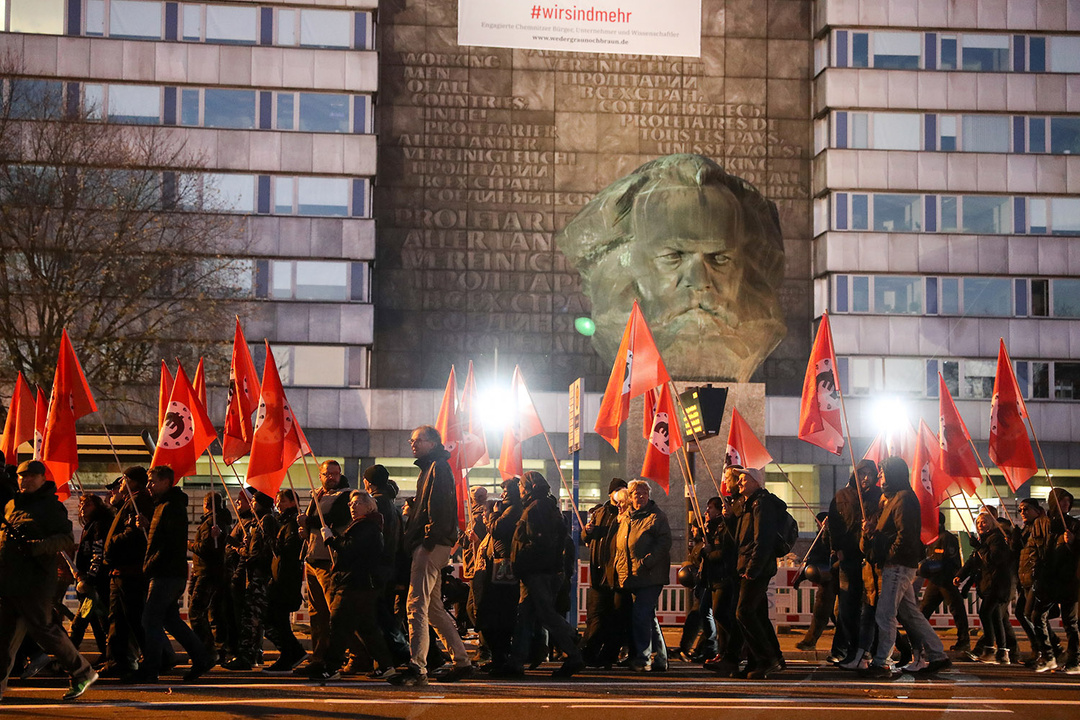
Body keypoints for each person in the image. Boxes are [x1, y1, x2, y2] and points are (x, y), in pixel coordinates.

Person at [555, 153, 787, 382]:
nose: (699, 280)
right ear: (628, 259)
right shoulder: (616, 327)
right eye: (674, 256)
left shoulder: (757, 330)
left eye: (719, 258)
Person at [0, 460, 98, 701]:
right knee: (4, 638)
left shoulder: (50, 507)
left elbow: (65, 539)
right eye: (23, 476)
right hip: (9, 581)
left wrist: (38, 547)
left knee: (45, 631)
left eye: (32, 476)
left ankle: (82, 671)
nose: (26, 480)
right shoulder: (11, 505)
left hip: (35, 582)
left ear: (43, 479)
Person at [389, 426, 472, 686]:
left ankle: (418, 666)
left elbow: (440, 506)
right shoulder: (432, 467)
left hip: (430, 545)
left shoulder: (437, 467)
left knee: (416, 605)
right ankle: (462, 661)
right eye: (411, 440)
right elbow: (434, 505)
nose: (412, 443)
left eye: (418, 440)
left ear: (432, 442)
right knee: (433, 608)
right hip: (433, 543)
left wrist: (427, 539)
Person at [860, 457, 950, 678]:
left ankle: (882, 661)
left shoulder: (904, 499)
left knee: (885, 614)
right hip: (897, 564)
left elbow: (905, 535)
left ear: (893, 473)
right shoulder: (895, 499)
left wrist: (890, 556)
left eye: (882, 472)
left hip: (897, 565)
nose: (879, 477)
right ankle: (938, 654)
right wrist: (872, 531)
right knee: (910, 615)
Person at [498, 471, 584, 679]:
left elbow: (540, 543)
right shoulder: (541, 506)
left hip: (538, 572)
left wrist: (522, 561)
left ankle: (574, 651)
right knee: (525, 617)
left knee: (545, 614)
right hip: (537, 571)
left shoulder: (538, 508)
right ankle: (516, 662)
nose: (518, 490)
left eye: (521, 487)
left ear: (529, 487)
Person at [137, 466, 214, 683]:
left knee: (150, 619)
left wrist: (148, 566)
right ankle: (202, 657)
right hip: (167, 572)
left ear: (166, 482)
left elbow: (168, 544)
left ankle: (151, 668)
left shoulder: (171, 507)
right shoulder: (163, 506)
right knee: (170, 620)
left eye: (152, 481)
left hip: (166, 573)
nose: (149, 486)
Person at [315, 490, 397, 681]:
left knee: (338, 623)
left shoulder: (366, 526)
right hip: (362, 584)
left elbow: (350, 550)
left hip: (354, 582)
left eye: (357, 503)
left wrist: (331, 539)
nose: (352, 506)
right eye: (351, 504)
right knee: (366, 627)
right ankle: (386, 666)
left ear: (369, 506)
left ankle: (331, 667)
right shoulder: (367, 525)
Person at [297, 460, 351, 675]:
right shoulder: (317, 494)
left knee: (335, 612)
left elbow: (334, 519)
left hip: (329, 560)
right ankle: (318, 657)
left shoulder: (346, 495)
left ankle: (346, 656)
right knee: (316, 613)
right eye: (328, 474)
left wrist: (308, 521)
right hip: (312, 558)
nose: (332, 477)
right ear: (320, 475)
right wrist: (306, 532)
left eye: (335, 474)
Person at [613, 479, 671, 674]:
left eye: (644, 493)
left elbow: (664, 542)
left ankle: (643, 658)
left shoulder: (656, 517)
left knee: (640, 614)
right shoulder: (627, 518)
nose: (641, 496)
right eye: (637, 493)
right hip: (633, 575)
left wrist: (648, 561)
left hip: (650, 575)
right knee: (648, 616)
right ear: (630, 497)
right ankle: (661, 658)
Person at [101, 466, 152, 680]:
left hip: (129, 570)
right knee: (120, 619)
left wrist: (110, 544)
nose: (120, 485)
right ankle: (118, 661)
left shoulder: (138, 501)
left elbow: (132, 536)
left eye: (123, 480)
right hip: (122, 569)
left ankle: (153, 658)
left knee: (132, 618)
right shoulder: (131, 502)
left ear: (131, 481)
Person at [828, 458, 881, 664]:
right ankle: (850, 647)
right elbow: (834, 523)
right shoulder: (842, 495)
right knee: (846, 606)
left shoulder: (879, 496)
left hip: (870, 559)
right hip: (848, 557)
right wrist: (837, 548)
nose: (865, 477)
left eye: (869, 474)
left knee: (871, 607)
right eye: (861, 473)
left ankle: (868, 649)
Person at [733, 467, 784, 679]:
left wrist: (752, 569)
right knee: (758, 614)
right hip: (749, 566)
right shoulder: (750, 504)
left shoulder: (761, 504)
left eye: (744, 479)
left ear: (756, 481)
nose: (739, 483)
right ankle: (762, 660)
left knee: (743, 612)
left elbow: (762, 539)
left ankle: (766, 659)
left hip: (755, 568)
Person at [1026, 488, 1080, 674]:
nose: (1065, 504)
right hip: (1047, 579)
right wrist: (1036, 572)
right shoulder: (1040, 523)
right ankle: (1048, 656)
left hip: (1067, 580)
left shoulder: (1073, 524)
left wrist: (1073, 542)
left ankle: (1075, 659)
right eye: (1061, 500)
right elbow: (1033, 548)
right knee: (1036, 616)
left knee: (1070, 622)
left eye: (1067, 501)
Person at [362, 464, 410, 669]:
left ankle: (395, 656)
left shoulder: (376, 504)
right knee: (385, 615)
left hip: (378, 568)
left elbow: (372, 539)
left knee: (379, 618)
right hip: (389, 568)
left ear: (368, 483)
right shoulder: (392, 504)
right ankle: (396, 656)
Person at [223, 489, 277, 671]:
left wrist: (240, 549)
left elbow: (257, 554)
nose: (251, 503)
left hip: (260, 576)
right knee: (251, 619)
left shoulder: (266, 521)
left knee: (254, 619)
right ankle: (247, 655)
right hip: (255, 575)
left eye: (254, 501)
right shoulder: (258, 522)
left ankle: (249, 655)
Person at [476, 478, 523, 674]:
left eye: (505, 490)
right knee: (492, 615)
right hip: (497, 567)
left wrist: (494, 514)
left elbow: (497, 529)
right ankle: (498, 656)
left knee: (499, 615)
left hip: (503, 568)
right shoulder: (510, 509)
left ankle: (501, 657)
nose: (502, 495)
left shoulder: (513, 510)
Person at [955, 512, 1015, 664]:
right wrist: (960, 576)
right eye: (979, 522)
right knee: (996, 618)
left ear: (991, 523)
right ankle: (1003, 653)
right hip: (989, 584)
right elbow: (972, 561)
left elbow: (994, 559)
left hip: (997, 584)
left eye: (984, 522)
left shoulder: (996, 538)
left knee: (985, 613)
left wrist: (980, 547)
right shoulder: (984, 540)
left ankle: (989, 649)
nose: (981, 525)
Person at [581, 477, 627, 668]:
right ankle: (589, 654)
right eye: (619, 490)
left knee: (615, 618)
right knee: (596, 617)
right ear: (611, 493)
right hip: (599, 574)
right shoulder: (600, 512)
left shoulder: (626, 513)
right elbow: (586, 537)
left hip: (616, 574)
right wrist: (587, 531)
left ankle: (607, 656)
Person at [263, 488, 306, 674]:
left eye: (282, 501)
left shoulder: (293, 524)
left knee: (276, 618)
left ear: (292, 502)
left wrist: (271, 537)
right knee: (276, 619)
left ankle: (292, 653)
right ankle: (291, 652)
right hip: (279, 577)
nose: (278, 505)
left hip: (286, 579)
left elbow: (287, 552)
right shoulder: (284, 522)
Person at [69, 493, 114, 664]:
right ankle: (106, 653)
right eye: (81, 505)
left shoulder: (99, 525)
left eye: (87, 505)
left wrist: (90, 577)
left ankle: (69, 657)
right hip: (91, 582)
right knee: (96, 620)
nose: (82, 508)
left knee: (83, 621)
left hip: (95, 585)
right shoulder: (90, 526)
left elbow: (98, 553)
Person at [188, 491, 230, 664]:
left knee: (197, 611)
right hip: (209, 572)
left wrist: (190, 544)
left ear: (206, 504)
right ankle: (215, 649)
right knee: (213, 612)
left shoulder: (212, 522)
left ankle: (206, 649)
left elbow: (207, 548)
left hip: (207, 572)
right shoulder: (218, 521)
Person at [918, 512, 969, 652]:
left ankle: (964, 641)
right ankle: (917, 640)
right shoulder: (930, 539)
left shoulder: (947, 538)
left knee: (957, 610)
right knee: (923, 612)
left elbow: (951, 561)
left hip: (946, 580)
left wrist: (935, 567)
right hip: (935, 581)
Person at [794, 512, 835, 651]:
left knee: (834, 613)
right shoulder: (819, 537)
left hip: (833, 577)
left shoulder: (832, 536)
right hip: (825, 579)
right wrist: (800, 578)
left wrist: (827, 532)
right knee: (822, 612)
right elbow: (813, 559)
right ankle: (810, 641)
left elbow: (826, 550)